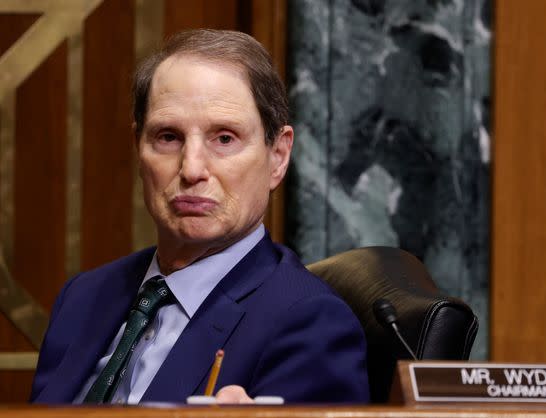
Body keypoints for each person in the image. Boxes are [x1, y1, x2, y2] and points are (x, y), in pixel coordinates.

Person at [30, 29, 369, 404]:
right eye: (168, 137)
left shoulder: (310, 325)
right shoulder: (83, 296)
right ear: (138, 149)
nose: (191, 169)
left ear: (278, 156)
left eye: (224, 138)